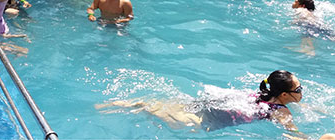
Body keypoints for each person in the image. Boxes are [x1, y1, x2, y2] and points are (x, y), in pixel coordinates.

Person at [96, 70, 305, 133]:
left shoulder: (262, 95)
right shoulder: (281, 111)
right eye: (299, 89)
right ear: (285, 95)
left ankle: (115, 105)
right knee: (147, 110)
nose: (301, 91)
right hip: (205, 119)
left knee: (148, 106)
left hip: (208, 104)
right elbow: (293, 134)